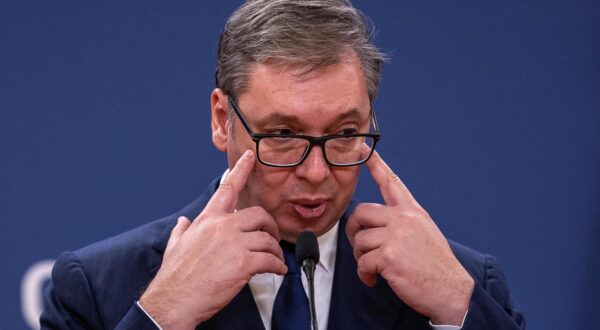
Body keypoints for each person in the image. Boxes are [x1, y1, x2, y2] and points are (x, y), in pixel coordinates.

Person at [41, 0, 525, 329]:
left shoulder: (465, 285)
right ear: (220, 120)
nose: (316, 173)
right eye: (282, 135)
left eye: (343, 134)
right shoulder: (100, 288)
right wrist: (160, 315)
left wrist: (461, 311)